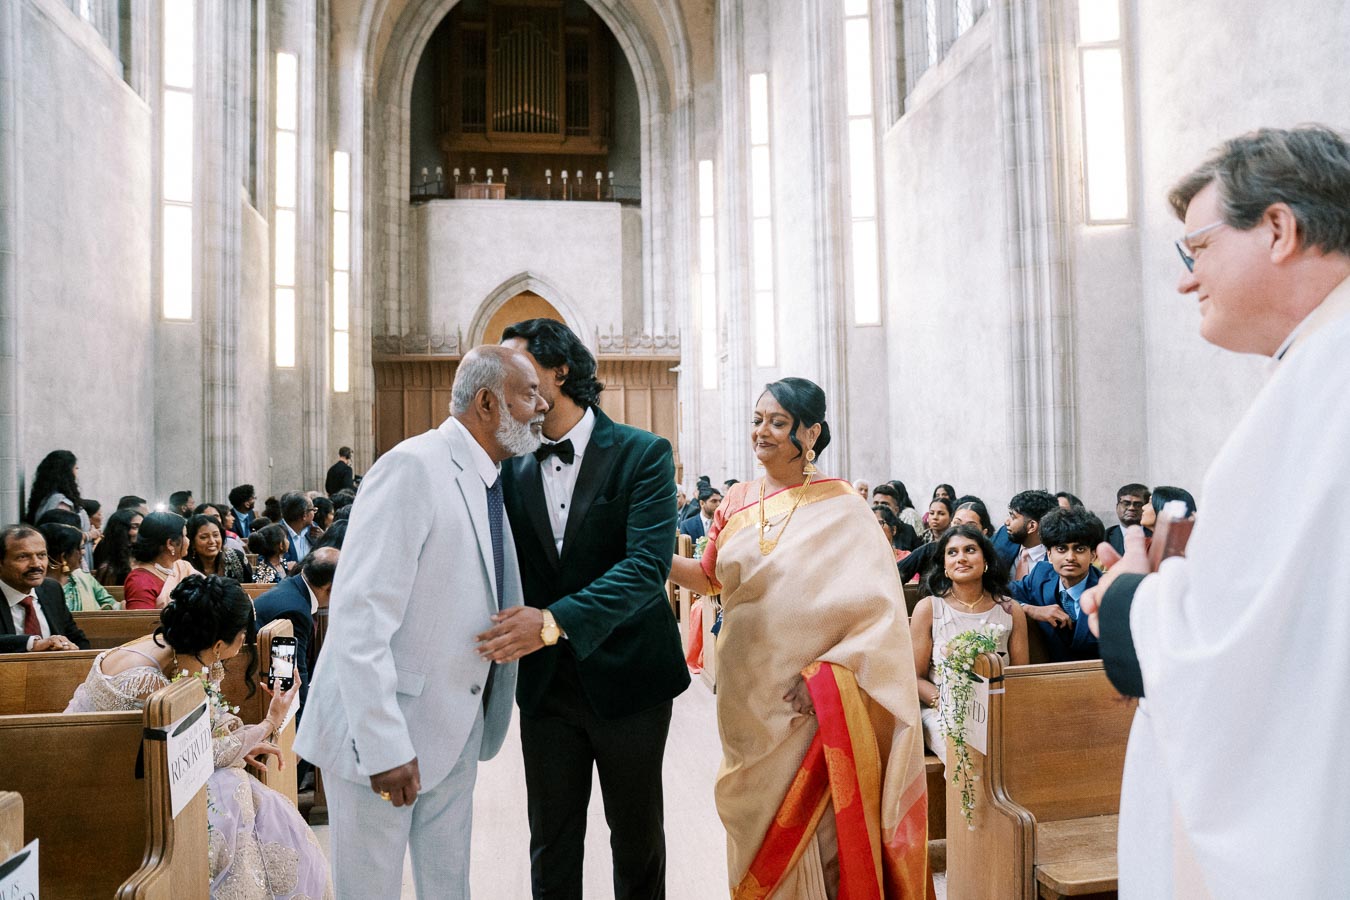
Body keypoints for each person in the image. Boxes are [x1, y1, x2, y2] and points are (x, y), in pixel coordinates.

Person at [1076, 126, 1350, 898]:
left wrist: (1129, 594)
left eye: (1194, 248)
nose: (1185, 281)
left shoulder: (1326, 385)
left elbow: (1237, 650)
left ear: (1278, 229)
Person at [667, 377, 931, 897]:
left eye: (778, 422)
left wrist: (827, 679)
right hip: (746, 694)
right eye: (758, 419)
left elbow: (878, 614)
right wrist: (647, 552)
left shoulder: (845, 508)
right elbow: (711, 576)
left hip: (810, 702)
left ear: (810, 432)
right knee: (753, 822)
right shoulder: (736, 501)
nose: (762, 431)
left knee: (820, 831)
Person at [297, 346, 543, 898]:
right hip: (382, 733)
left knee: (447, 885)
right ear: (487, 401)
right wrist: (384, 745)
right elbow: (361, 616)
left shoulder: (488, 479)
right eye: (528, 393)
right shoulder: (415, 466)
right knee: (372, 889)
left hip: (454, 723)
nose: (541, 405)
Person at [484, 318, 689, 900]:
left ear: (560, 371)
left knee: (636, 839)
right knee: (551, 842)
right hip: (547, 689)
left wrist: (552, 622)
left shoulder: (643, 453)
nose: (504, 387)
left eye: (518, 371)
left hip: (630, 677)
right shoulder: (507, 464)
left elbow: (646, 569)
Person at [64, 574, 330, 897]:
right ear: (218, 644)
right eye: (242, 636)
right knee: (235, 791)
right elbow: (202, 749)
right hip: (102, 791)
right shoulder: (145, 683)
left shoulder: (173, 647)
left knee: (253, 796)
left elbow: (206, 730)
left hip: (136, 776)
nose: (241, 644)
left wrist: (240, 738)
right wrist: (269, 722)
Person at [911, 525, 1029, 763]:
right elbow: (915, 677)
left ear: (985, 559)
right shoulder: (929, 608)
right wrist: (949, 704)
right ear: (944, 564)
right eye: (952, 552)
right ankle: (967, 801)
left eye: (970, 550)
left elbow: (1021, 676)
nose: (961, 558)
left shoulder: (1010, 610)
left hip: (997, 708)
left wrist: (991, 710)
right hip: (942, 711)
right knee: (962, 749)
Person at [1010, 507, 1104, 661]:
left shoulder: (1109, 589)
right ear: (1049, 554)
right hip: (1048, 679)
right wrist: (1030, 609)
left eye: (1079, 549)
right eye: (1061, 549)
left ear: (1093, 555)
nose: (1070, 557)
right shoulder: (1039, 576)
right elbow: (998, 594)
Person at [255, 548, 338, 719]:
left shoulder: (294, 585)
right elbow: (291, 677)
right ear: (331, 588)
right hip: (257, 694)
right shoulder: (295, 612)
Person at [0, 524, 90, 652]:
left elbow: (77, 639)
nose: (36, 564)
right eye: (23, 557)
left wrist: (71, 648)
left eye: (41, 555)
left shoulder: (51, 590)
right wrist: (32, 644)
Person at [24, 450, 98, 570]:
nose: (77, 472)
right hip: (66, 563)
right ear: (67, 472)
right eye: (75, 468)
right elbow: (62, 537)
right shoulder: (60, 502)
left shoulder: (47, 498)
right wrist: (90, 535)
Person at [123, 512, 196, 609]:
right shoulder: (140, 581)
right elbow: (140, 622)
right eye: (185, 536)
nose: (188, 540)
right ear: (170, 543)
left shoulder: (183, 567)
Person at [39, 523, 117, 611]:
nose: (83, 553)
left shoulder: (84, 578)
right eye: (80, 548)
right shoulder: (37, 588)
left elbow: (111, 604)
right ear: (63, 557)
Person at [1004, 490, 1059, 580]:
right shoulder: (1003, 538)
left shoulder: (1055, 562)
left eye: (1013, 517)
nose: (1006, 522)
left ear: (1032, 526)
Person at [185, 514, 254, 583]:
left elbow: (250, 588)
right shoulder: (183, 565)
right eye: (204, 537)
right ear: (192, 542)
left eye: (215, 535)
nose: (212, 541)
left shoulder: (237, 558)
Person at [92, 507, 141, 586]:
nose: (141, 531)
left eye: (142, 527)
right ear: (121, 530)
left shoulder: (144, 557)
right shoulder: (108, 568)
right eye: (135, 527)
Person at [1104, 483, 1152, 556]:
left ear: (1145, 507)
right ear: (1117, 507)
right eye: (1126, 503)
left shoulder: (1155, 536)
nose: (1131, 508)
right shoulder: (1105, 536)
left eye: (1138, 504)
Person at [279, 492, 316, 569]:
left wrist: (323, 539)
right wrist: (285, 566)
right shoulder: (276, 534)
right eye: (313, 509)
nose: (314, 512)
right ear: (304, 515)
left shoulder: (314, 529)